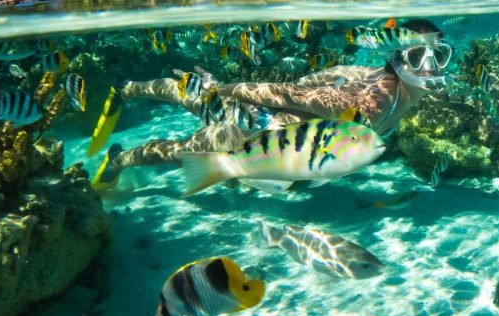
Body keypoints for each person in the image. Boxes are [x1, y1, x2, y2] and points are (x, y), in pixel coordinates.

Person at [90, 19, 451, 191]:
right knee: (183, 144)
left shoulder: (375, 74)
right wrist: (227, 90)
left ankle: (127, 94)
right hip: (256, 131)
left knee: (192, 104)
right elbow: (291, 94)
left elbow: (324, 76)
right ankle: (120, 152)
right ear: (398, 58)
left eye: (440, 55)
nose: (431, 67)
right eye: (419, 56)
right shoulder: (373, 104)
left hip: (271, 137)